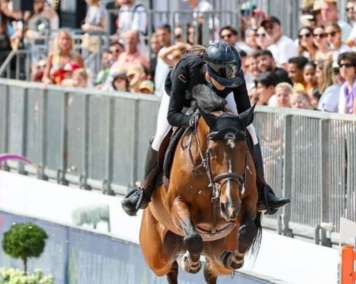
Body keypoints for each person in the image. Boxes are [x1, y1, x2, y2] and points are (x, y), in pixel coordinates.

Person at [121, 41, 290, 217]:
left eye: (228, 81)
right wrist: (192, 120)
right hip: (182, 97)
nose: (225, 84)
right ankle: (144, 190)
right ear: (208, 71)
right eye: (220, 80)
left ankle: (263, 190)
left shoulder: (235, 75)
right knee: (161, 134)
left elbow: (245, 114)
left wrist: (235, 123)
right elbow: (173, 115)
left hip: (216, 99)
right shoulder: (187, 68)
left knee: (251, 130)